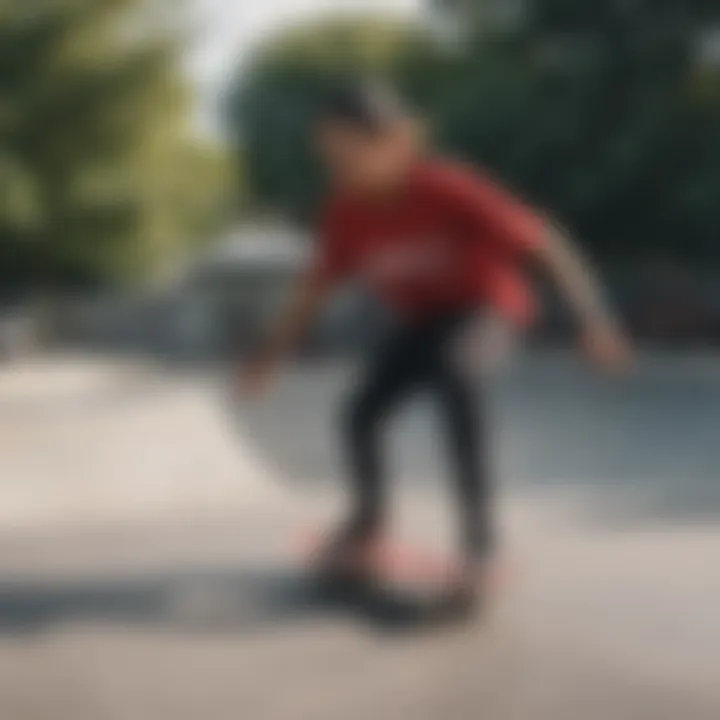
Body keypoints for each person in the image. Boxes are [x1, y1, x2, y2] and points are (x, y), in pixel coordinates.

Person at [240, 80, 632, 600]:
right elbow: (312, 291)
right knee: (360, 412)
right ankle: (367, 523)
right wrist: (270, 356)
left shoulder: (449, 188)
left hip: (487, 310)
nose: (342, 169)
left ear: (400, 143)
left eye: (354, 154)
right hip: (421, 320)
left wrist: (592, 317)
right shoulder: (343, 212)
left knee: (457, 377)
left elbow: (546, 245)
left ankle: (480, 544)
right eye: (331, 158)